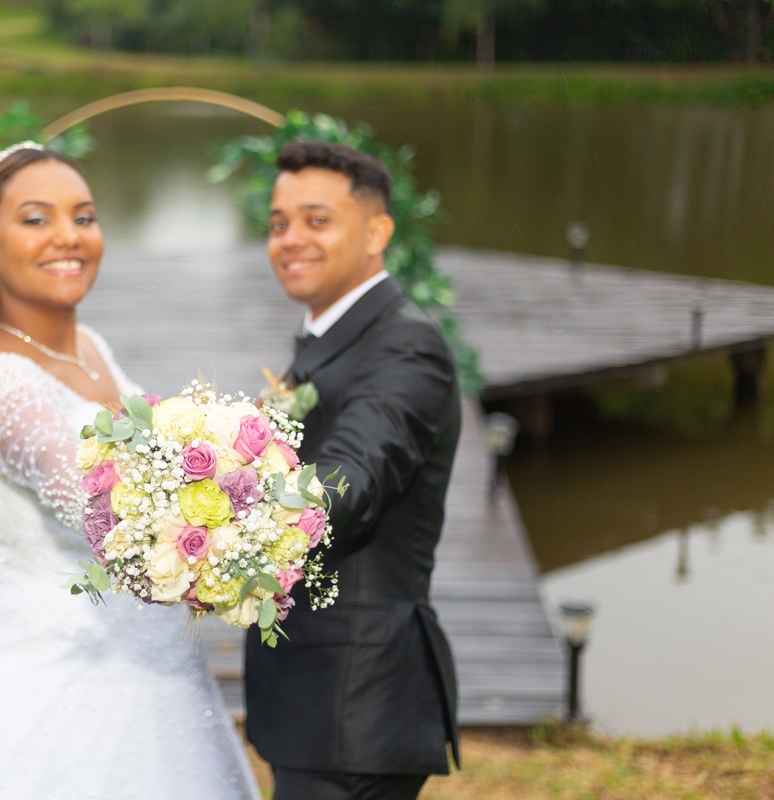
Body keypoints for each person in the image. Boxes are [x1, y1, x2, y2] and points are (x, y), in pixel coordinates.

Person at [0, 143, 260, 799]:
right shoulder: (0, 387)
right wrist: (243, 529)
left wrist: (246, 466)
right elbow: (98, 500)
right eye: (36, 219)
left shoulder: (92, 348)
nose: (68, 236)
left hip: (165, 684)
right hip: (61, 696)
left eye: (83, 216)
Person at [243, 140, 462, 800]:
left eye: (317, 220)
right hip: (321, 705)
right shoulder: (332, 340)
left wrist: (221, 509)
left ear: (376, 232)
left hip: (356, 702)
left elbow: (353, 477)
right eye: (278, 223)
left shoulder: (404, 346)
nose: (290, 239)